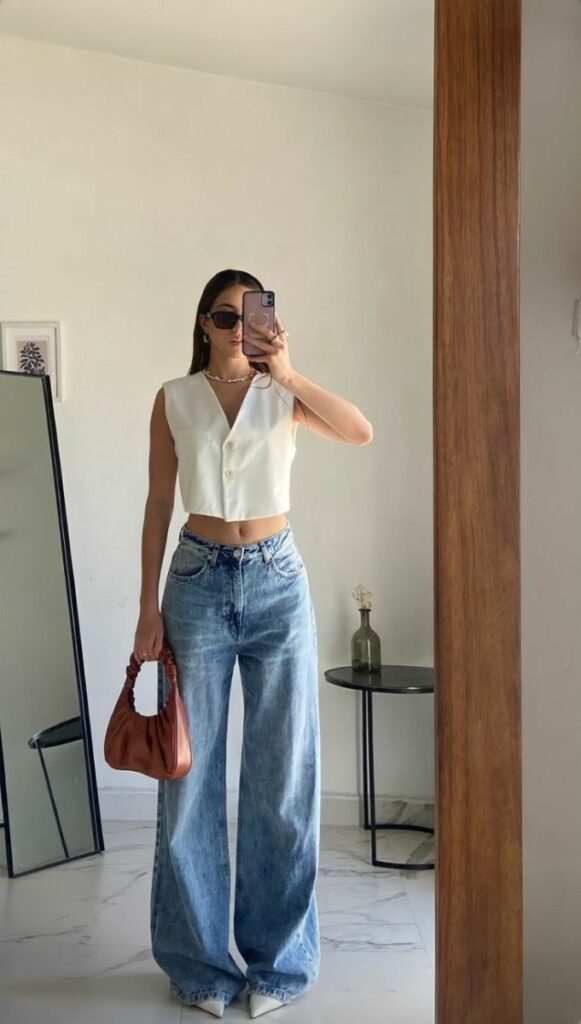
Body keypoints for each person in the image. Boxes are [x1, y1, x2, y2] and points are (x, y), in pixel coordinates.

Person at [133, 268, 373, 1019]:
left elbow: (359, 431)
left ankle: (277, 964)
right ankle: (199, 966)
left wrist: (291, 371)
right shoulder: (173, 398)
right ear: (202, 322)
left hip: (277, 581)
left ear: (268, 320)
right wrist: (146, 607)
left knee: (283, 778)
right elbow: (157, 501)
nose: (238, 327)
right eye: (223, 315)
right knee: (189, 780)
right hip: (197, 581)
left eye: (251, 314)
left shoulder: (284, 396)